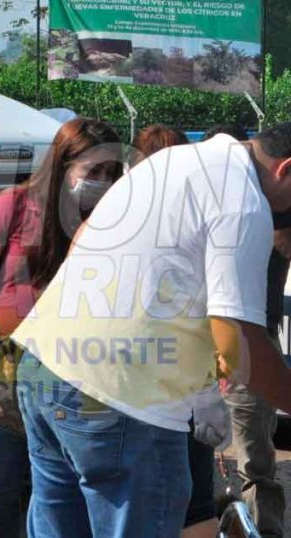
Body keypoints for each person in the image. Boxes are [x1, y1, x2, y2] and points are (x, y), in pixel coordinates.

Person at [10, 123, 291, 536]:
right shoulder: (244, 203)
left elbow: (83, 238)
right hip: (124, 401)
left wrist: (201, 385)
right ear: (286, 169)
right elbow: (237, 338)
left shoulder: (168, 162)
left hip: (45, 368)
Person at [0, 118, 122, 538]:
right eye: (92, 170)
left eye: (110, 172)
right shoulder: (15, 205)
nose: (101, 181)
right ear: (62, 164)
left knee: (55, 488)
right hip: (0, 365)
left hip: (68, 370)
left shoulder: (110, 220)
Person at [132, 124, 223, 538]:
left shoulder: (120, 216)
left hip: (127, 385)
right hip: (176, 386)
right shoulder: (198, 217)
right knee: (192, 502)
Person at [206, 124, 291, 538]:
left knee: (254, 452)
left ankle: (264, 528)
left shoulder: (274, 203)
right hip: (213, 337)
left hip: (252, 335)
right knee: (196, 449)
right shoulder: (236, 204)